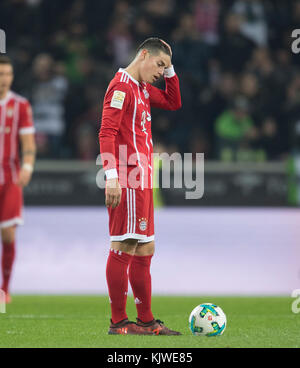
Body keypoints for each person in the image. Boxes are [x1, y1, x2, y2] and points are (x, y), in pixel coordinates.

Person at [99, 38, 182, 335]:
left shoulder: (142, 87)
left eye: (166, 68)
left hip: (143, 178)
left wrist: (171, 70)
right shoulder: (121, 86)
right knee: (124, 244)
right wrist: (111, 176)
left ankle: (145, 321)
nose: (161, 72)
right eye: (160, 65)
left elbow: (174, 102)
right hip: (127, 175)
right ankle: (119, 322)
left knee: (145, 248)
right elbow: (106, 132)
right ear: (143, 55)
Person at [0, 56, 36, 303]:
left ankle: (5, 289)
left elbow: (28, 143)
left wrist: (27, 166)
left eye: (8, 74)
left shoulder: (21, 105)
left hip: (10, 177)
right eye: (1, 74)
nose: (4, 79)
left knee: (8, 234)